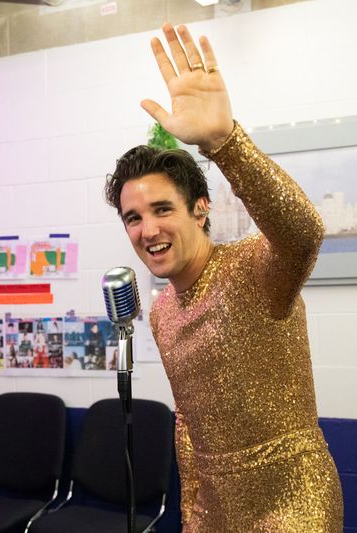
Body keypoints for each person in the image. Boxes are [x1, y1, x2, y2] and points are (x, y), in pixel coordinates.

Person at [105, 23, 343, 532]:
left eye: (162, 209)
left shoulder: (252, 269)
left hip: (294, 505)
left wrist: (225, 143)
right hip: (215, 514)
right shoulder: (163, 311)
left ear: (200, 208)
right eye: (132, 217)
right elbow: (189, 426)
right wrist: (195, 517)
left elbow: (304, 233)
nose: (148, 230)